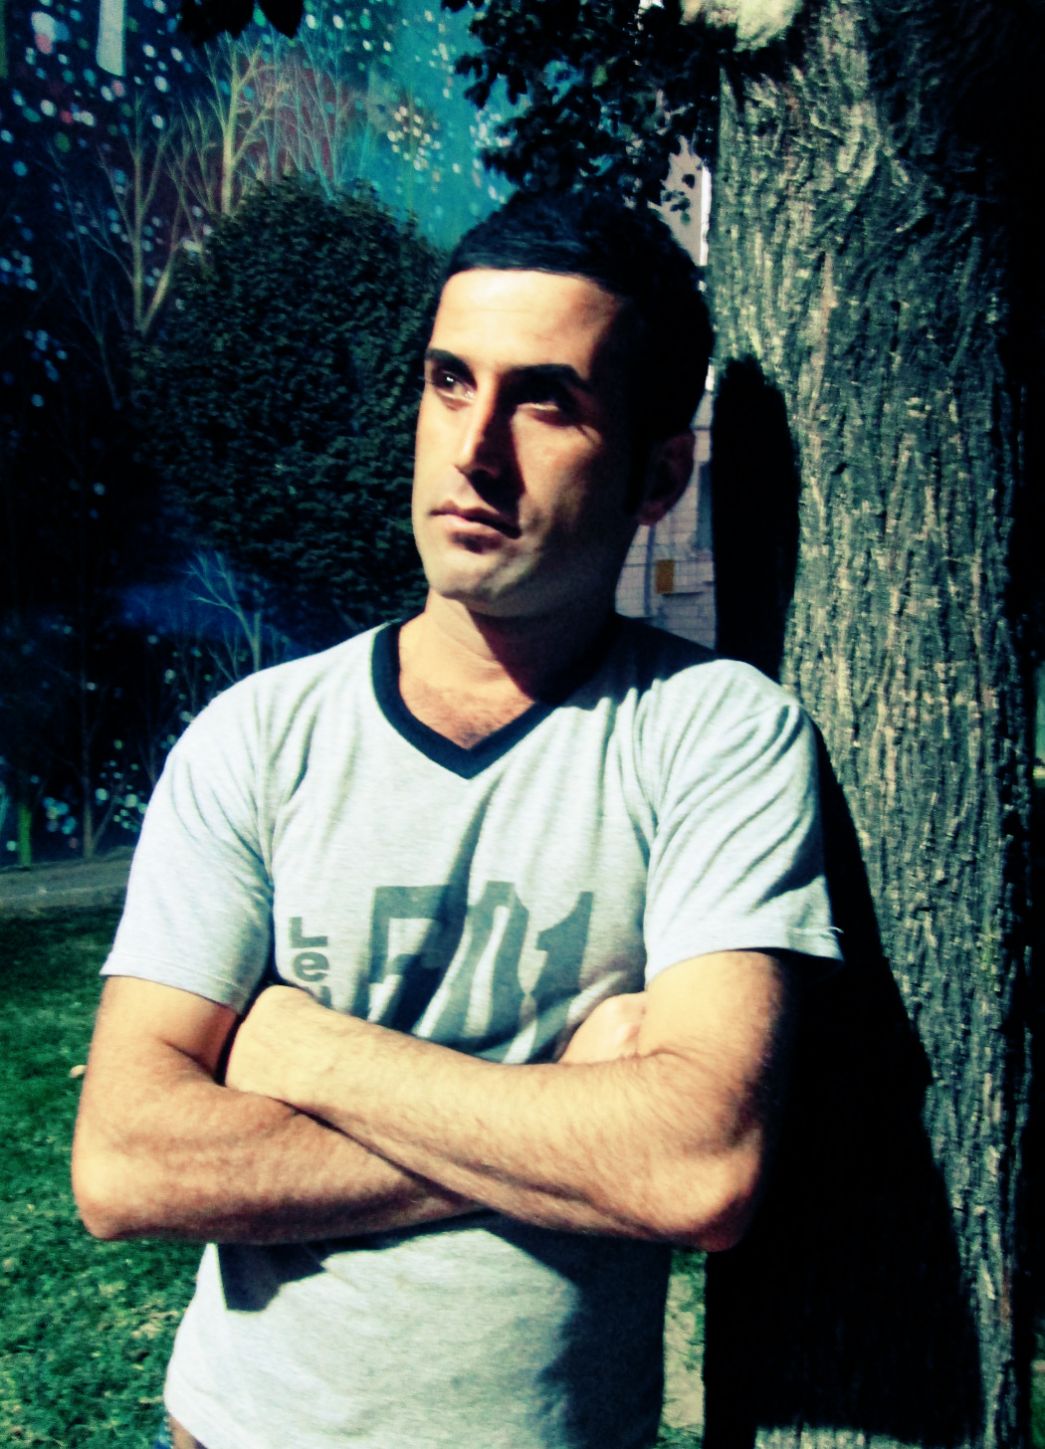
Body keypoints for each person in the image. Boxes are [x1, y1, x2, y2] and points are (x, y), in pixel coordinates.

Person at [72, 191, 841, 1449]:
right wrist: (573, 1116)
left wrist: (299, 1052)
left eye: (546, 403)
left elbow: (696, 1167)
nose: (475, 451)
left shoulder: (714, 737)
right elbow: (126, 1164)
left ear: (657, 474)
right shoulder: (257, 737)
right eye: (448, 382)